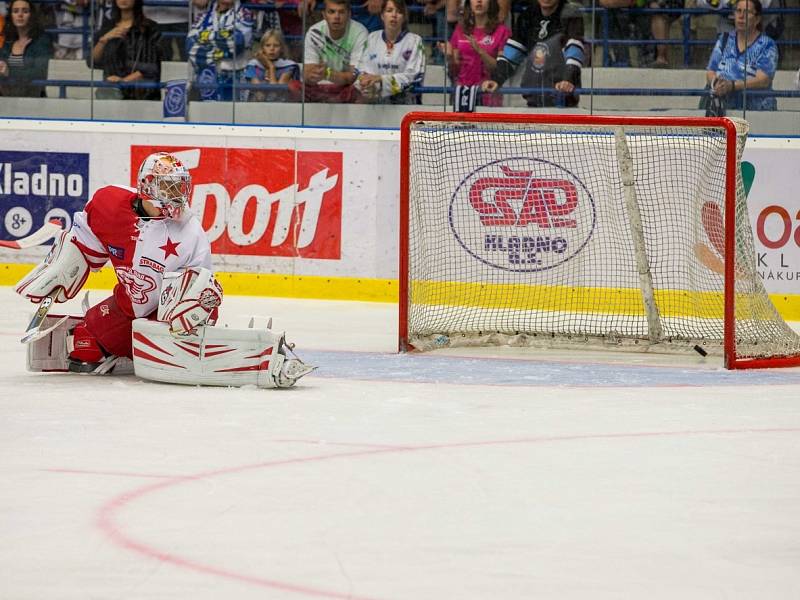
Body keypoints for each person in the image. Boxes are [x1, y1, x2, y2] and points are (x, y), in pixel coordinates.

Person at [15, 152, 313, 388]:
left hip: (167, 318)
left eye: (179, 188)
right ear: (146, 185)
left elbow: (201, 284)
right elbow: (86, 243)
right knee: (85, 348)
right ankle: (128, 349)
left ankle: (156, 348)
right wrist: (64, 267)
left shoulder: (189, 231)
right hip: (127, 306)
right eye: (167, 187)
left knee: (170, 353)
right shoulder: (108, 203)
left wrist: (195, 304)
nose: (175, 196)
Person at [481, 0, 585, 108]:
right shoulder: (528, 14)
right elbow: (511, 54)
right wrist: (496, 79)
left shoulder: (570, 13)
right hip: (533, 99)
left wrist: (568, 79)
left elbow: (574, 49)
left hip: (563, 100)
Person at [705, 0, 778, 111]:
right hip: (722, 110)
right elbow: (711, 71)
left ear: (757, 19)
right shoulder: (723, 39)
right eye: (738, 11)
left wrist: (732, 86)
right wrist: (717, 84)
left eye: (747, 12)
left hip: (758, 112)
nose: (741, 16)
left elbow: (763, 80)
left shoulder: (768, 45)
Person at [289, 0, 368, 103]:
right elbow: (307, 73)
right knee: (293, 86)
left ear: (349, 14)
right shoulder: (314, 32)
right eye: (331, 12)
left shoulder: (360, 32)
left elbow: (353, 77)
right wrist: (311, 75)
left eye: (341, 12)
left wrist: (327, 73)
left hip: (347, 88)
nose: (337, 17)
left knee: (361, 90)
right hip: (321, 87)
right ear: (324, 15)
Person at [89, 0, 163, 100]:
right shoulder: (108, 27)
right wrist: (103, 40)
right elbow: (92, 62)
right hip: (111, 94)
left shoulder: (149, 28)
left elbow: (151, 68)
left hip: (141, 95)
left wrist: (122, 81)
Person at [354, 0, 425, 103]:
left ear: (404, 17)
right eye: (389, 10)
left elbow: (414, 78)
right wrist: (366, 84)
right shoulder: (372, 38)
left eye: (399, 12)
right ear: (382, 15)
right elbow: (361, 70)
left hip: (406, 106)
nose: (394, 15)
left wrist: (381, 80)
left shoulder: (415, 41)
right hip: (374, 105)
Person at [441, 0, 509, 106]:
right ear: (469, 3)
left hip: (488, 94)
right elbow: (454, 72)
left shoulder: (502, 31)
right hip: (461, 94)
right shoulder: (460, 29)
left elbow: (500, 70)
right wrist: (449, 58)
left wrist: (480, 51)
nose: (479, 1)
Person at [186, 0, 254, 101]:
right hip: (207, 76)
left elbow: (237, 43)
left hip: (236, 75)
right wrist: (222, 46)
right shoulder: (203, 16)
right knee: (208, 114)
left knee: (236, 115)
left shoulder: (245, 14)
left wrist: (206, 38)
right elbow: (190, 46)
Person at [0, 0, 51, 98]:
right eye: (15, 11)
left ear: (31, 15)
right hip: (7, 98)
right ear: (11, 16)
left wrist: (10, 72)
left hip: (33, 99)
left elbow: (40, 72)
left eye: (25, 11)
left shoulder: (42, 40)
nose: (20, 15)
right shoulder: (8, 41)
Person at [244, 28, 299, 101]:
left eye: (276, 46)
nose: (272, 49)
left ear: (282, 48)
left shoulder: (289, 66)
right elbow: (260, 96)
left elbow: (277, 93)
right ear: (262, 48)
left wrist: (271, 67)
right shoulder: (253, 66)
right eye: (267, 45)